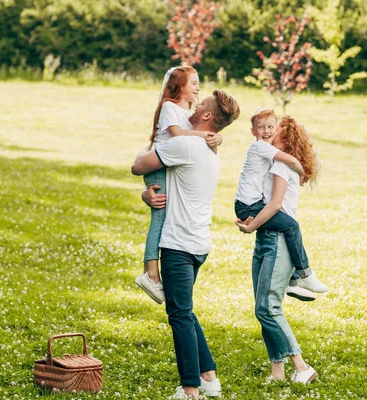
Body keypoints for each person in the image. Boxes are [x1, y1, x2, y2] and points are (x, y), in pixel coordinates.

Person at [132, 90, 240, 399]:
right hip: (199, 243)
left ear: (207, 116)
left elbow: (139, 167)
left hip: (179, 244)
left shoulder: (186, 144)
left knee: (179, 314)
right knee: (185, 309)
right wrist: (147, 195)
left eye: (201, 102)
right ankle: (209, 377)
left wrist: (144, 189)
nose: (194, 103)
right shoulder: (209, 148)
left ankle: (190, 390)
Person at [235, 116, 321, 383]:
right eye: (265, 129)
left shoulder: (282, 166)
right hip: (266, 238)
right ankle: (277, 372)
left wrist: (250, 227)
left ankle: (301, 365)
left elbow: (273, 207)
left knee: (267, 308)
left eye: (276, 131)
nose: (269, 133)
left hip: (276, 242)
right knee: (265, 307)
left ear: (285, 139)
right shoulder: (272, 163)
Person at [135, 66, 224, 305]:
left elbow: (204, 127)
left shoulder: (188, 111)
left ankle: (153, 273)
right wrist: (205, 138)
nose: (197, 87)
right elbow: (176, 134)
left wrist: (218, 137)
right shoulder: (169, 107)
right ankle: (151, 272)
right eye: (193, 83)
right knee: (159, 216)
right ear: (179, 86)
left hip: (170, 165)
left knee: (163, 215)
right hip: (158, 167)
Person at [234, 109, 328, 296]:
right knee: (291, 226)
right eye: (262, 127)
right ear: (253, 131)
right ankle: (304, 273)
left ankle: (293, 281)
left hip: (251, 204)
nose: (269, 131)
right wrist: (302, 172)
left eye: (273, 128)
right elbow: (291, 160)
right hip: (249, 205)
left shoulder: (271, 157)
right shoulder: (262, 148)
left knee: (288, 227)